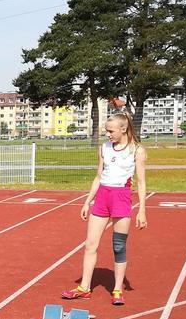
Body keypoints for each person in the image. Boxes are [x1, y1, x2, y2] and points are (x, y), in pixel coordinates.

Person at [61, 111, 147, 306]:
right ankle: (84, 287)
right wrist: (87, 201)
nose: (108, 134)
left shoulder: (136, 150)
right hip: (102, 197)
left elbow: (141, 182)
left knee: (119, 246)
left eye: (111, 131)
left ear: (123, 129)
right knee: (90, 244)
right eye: (106, 131)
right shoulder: (104, 148)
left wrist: (142, 210)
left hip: (121, 198)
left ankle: (117, 289)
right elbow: (99, 176)